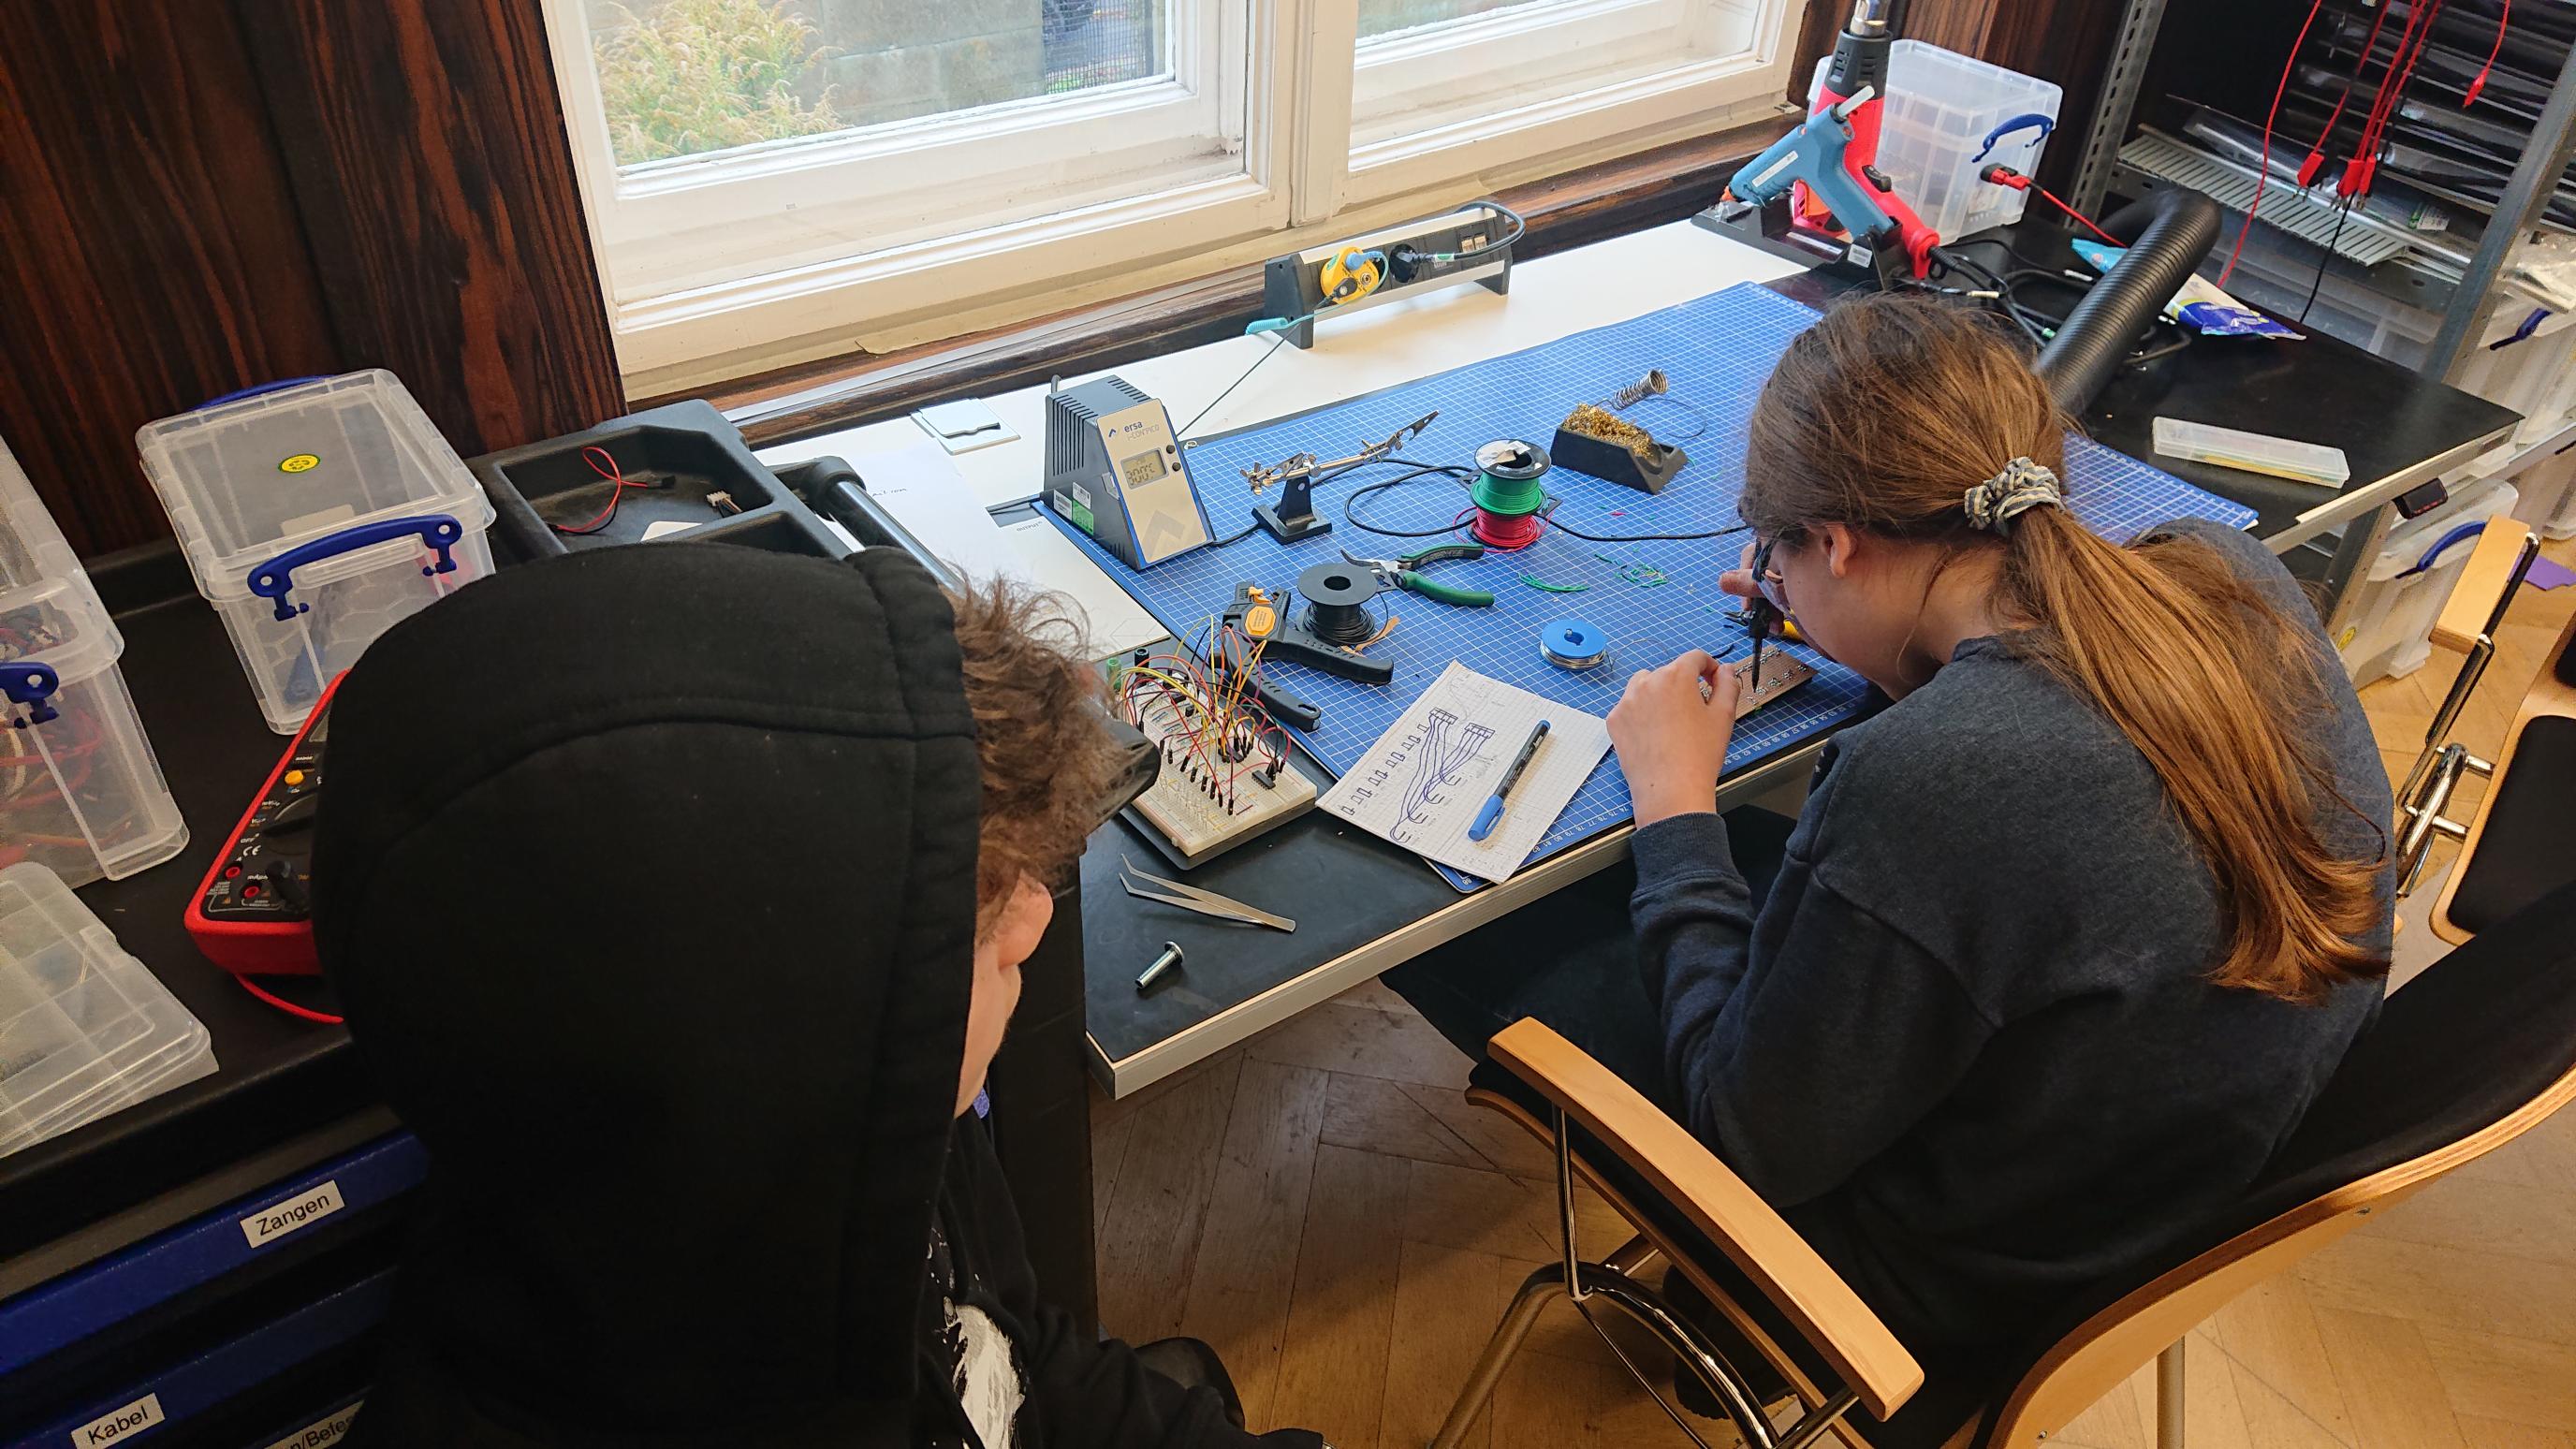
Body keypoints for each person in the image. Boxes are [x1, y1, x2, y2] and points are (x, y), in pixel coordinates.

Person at [1386, 293, 2393, 1436]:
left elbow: (1743, 1136)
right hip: (2145, 1178)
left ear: (1841, 543)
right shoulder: (2219, 573)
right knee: (1761, 862)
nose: (1768, 582)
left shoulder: (1929, 782)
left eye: (1775, 554)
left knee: (1480, 923)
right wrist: (1854, 628)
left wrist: (1673, 803)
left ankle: (1725, 1318)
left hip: (1929, 1286)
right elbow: (2036, 786)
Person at [314, 543, 1325, 1449]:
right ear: (747, 1060)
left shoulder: (879, 1139)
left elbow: (1013, 1351)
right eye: (968, 923)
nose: (1034, 922)